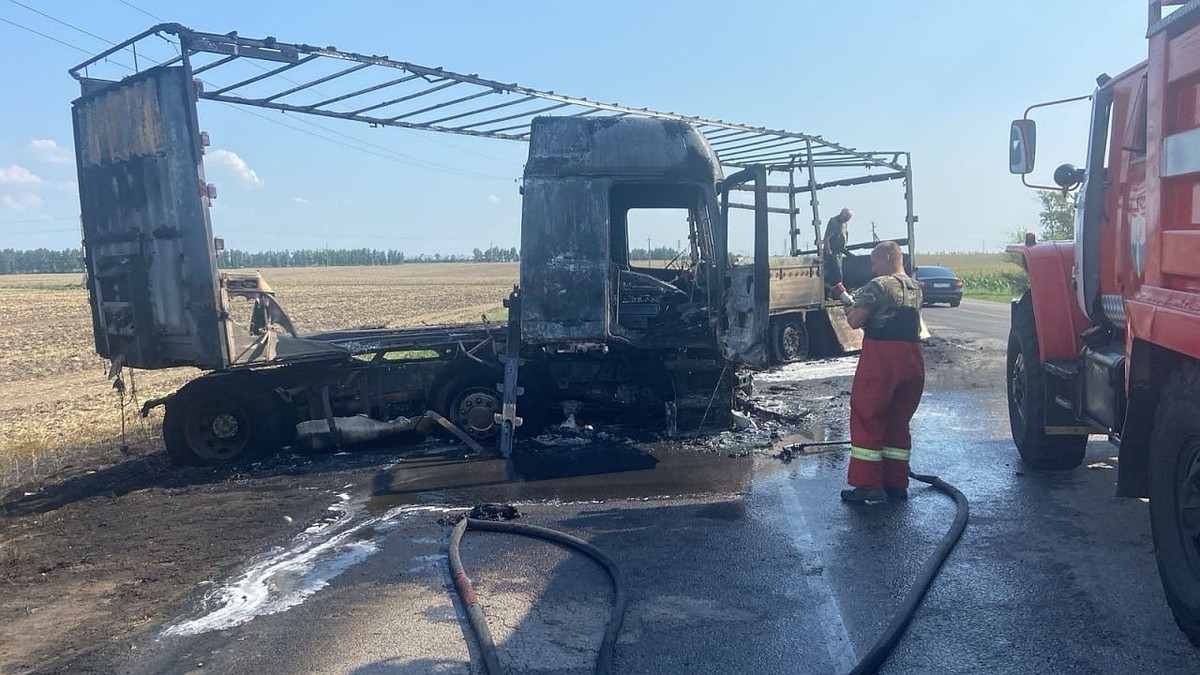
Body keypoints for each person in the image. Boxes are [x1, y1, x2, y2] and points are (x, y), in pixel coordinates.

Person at [839, 241, 925, 503]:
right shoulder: (914, 287)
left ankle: (868, 485)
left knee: (868, 416)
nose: (872, 268)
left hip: (882, 358)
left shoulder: (879, 286)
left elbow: (855, 321)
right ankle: (896, 482)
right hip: (912, 359)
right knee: (898, 420)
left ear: (887, 257)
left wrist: (846, 302)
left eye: (874, 262)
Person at [823, 207, 854, 303]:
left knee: (838, 275)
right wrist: (829, 253)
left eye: (848, 219)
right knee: (835, 275)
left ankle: (836, 294)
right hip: (832, 253)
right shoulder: (833, 222)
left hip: (840, 253)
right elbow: (827, 238)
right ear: (841, 215)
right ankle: (830, 294)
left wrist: (847, 253)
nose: (846, 220)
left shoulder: (844, 224)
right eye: (846, 218)